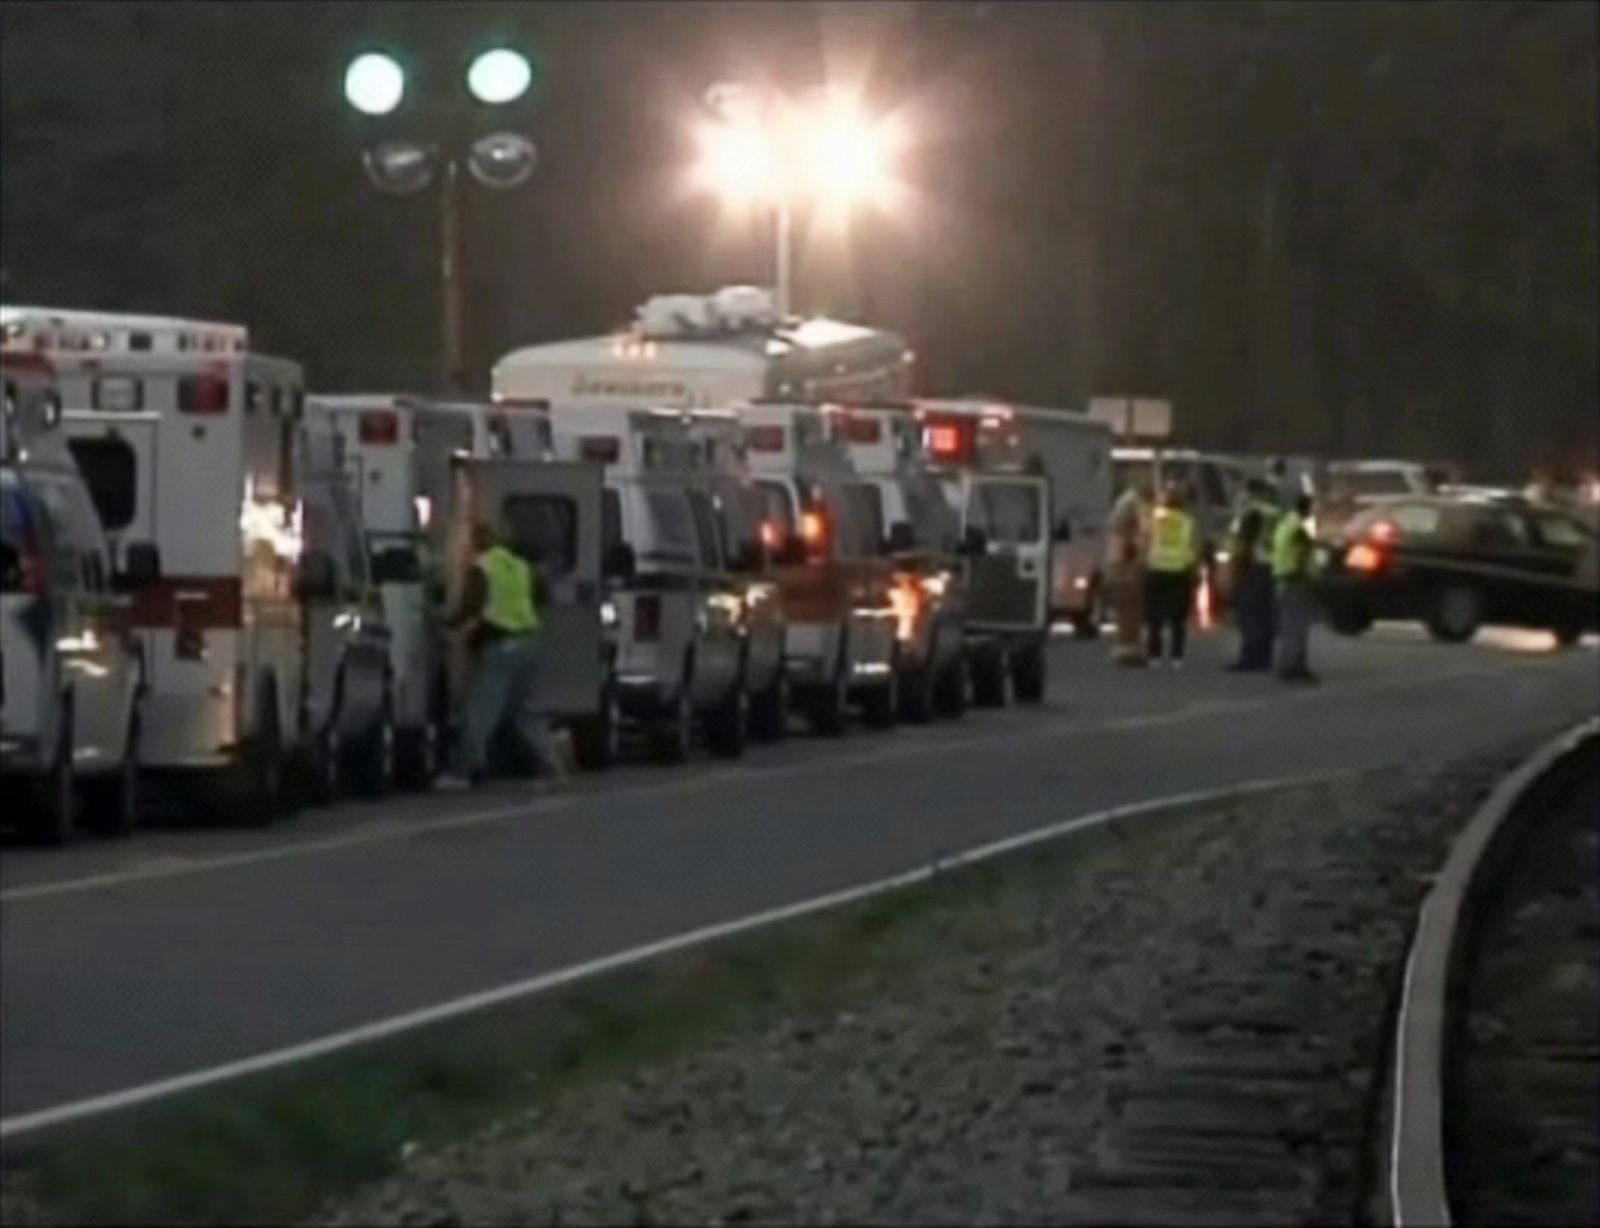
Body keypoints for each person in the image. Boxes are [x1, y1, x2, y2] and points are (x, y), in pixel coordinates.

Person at [435, 520, 551, 790]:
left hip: (500, 646)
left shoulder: (482, 567)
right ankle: (548, 766)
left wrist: (444, 622)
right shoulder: (519, 566)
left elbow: (469, 606)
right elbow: (542, 594)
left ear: (475, 542)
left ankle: (463, 772)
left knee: (480, 713)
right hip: (529, 642)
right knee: (524, 713)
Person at [1144, 481, 1200, 667]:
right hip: (1179, 570)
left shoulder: (1155, 518)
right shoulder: (1187, 522)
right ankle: (1177, 656)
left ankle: (1154, 656)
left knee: (1155, 617)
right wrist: (1195, 568)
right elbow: (1193, 547)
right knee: (1178, 618)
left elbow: (1145, 540)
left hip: (1156, 568)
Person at [1226, 477, 1279, 671]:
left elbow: (1244, 543)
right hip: (1272, 565)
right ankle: (1265, 656)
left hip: (1254, 566)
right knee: (1265, 614)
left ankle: (1250, 656)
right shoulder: (1274, 513)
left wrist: (1236, 569)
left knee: (1250, 614)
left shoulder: (1251, 513)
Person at [1273, 492, 1319, 683]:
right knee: (1298, 626)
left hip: (1282, 577)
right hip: (1296, 579)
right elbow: (1303, 552)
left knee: (1289, 625)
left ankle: (1287, 665)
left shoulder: (1286, 523)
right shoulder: (1301, 527)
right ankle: (1295, 667)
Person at [1106, 476, 1151, 666]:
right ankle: (1127, 652)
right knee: (1130, 611)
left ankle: (1128, 649)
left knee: (1128, 612)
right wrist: (1140, 559)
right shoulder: (1132, 505)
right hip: (1126, 566)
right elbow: (1139, 535)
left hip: (1120, 565)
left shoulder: (1126, 504)